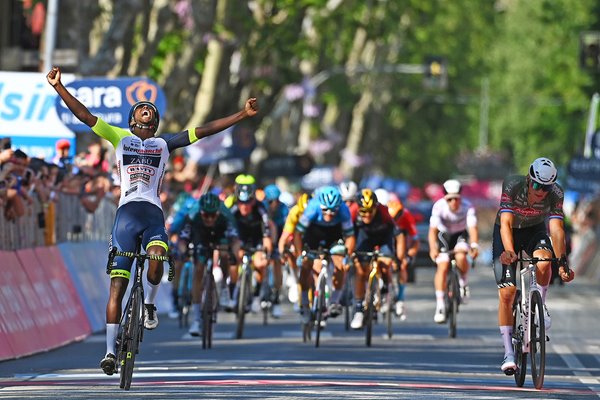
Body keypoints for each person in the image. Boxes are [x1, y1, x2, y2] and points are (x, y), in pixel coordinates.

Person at [46, 66, 259, 375]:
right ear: (133, 119)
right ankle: (109, 352)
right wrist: (59, 87)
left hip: (152, 215)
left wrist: (241, 115)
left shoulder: (164, 144)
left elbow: (204, 130)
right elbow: (85, 115)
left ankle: (149, 304)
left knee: (157, 260)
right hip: (126, 215)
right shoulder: (119, 137)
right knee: (117, 288)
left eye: (151, 110)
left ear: (155, 122)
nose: (146, 110)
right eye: (141, 108)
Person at [493, 157, 574, 375]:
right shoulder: (513, 185)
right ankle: (509, 353)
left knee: (546, 261)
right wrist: (509, 251)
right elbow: (507, 223)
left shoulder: (556, 193)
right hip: (507, 232)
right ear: (529, 179)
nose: (541, 192)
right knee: (508, 293)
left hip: (534, 231)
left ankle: (541, 304)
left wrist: (563, 262)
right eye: (537, 185)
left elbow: (556, 230)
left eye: (546, 188)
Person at [179, 192, 241, 336]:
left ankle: (225, 287)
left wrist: (234, 254)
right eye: (206, 215)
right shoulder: (193, 216)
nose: (210, 219)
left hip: (220, 234)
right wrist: (183, 252)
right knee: (198, 270)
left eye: (213, 215)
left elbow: (235, 240)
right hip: (200, 236)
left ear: (218, 213)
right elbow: (182, 240)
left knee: (225, 254)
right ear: (201, 212)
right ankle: (196, 319)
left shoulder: (226, 216)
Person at [293, 185, 356, 324]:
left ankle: (334, 300)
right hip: (313, 234)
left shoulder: (344, 211)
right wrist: (299, 254)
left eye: (333, 211)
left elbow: (350, 236)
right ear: (320, 205)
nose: (329, 214)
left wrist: (347, 256)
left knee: (340, 264)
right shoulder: (312, 208)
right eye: (325, 210)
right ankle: (304, 302)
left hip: (334, 235)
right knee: (306, 265)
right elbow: (298, 233)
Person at [350, 189, 404, 329]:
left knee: (385, 264)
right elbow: (348, 234)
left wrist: (398, 258)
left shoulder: (384, 212)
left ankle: (387, 288)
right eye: (364, 212)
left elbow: (399, 235)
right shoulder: (353, 212)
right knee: (361, 271)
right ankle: (358, 309)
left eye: (370, 211)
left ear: (376, 207)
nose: (367, 215)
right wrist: (350, 253)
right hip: (364, 238)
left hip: (383, 238)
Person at [428, 179, 479, 323]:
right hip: (444, 236)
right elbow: (433, 231)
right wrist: (433, 248)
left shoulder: (468, 206)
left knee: (461, 256)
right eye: (450, 199)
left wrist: (474, 245)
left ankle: (463, 282)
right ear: (445, 198)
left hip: (460, 235)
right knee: (443, 266)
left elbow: (473, 228)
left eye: (456, 199)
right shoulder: (438, 207)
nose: (453, 203)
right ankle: (440, 306)